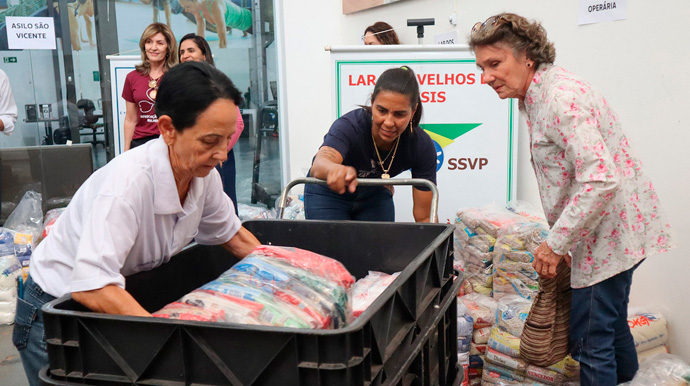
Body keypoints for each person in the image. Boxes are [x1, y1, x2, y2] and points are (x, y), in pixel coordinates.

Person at [13, 61, 261, 386]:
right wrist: (171, 340)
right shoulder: (127, 186)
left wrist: (294, 281)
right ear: (168, 128)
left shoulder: (203, 178)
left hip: (112, 301)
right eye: (209, 140)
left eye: (227, 140)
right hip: (56, 314)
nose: (222, 155)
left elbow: (236, 238)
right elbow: (92, 286)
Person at [468, 13, 675, 385]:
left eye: (494, 64)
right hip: (606, 234)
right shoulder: (539, 95)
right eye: (482, 67)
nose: (486, 77)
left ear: (527, 56)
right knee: (607, 327)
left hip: (607, 238)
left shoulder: (560, 98)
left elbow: (599, 178)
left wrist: (555, 244)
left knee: (588, 340)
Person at [304, 66, 437, 222]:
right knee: (330, 246)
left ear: (413, 111)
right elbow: (320, 164)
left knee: (379, 246)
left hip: (374, 195)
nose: (388, 122)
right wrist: (334, 170)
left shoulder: (421, 145)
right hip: (328, 193)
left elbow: (425, 217)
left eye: (399, 114)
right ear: (372, 101)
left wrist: (440, 244)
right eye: (381, 110)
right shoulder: (350, 126)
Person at [179, 33, 243, 213]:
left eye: (191, 50)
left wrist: (219, 151)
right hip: (192, 159)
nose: (185, 55)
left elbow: (237, 124)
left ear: (204, 55)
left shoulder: (216, 83)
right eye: (182, 52)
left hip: (218, 157)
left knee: (222, 209)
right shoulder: (180, 88)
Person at [123, 23, 178, 151]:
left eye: (160, 43)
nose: (153, 48)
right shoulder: (132, 77)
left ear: (168, 48)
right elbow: (130, 119)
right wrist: (126, 152)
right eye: (149, 42)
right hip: (140, 145)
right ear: (144, 46)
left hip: (169, 143)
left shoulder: (177, 76)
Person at [178, 0, 252, 48]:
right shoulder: (197, 11)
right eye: (184, 8)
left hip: (253, 18)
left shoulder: (214, 4)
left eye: (187, 6)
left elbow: (223, 40)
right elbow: (201, 36)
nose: (186, 10)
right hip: (245, 27)